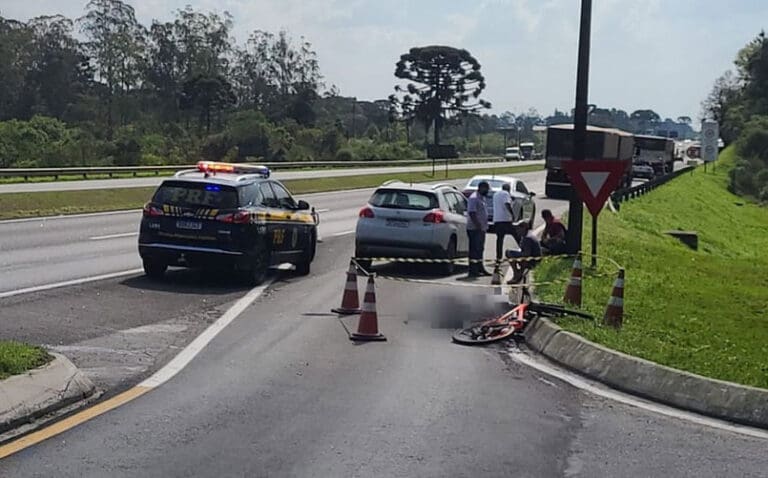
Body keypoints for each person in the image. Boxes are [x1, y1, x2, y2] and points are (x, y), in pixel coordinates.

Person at [466, 181, 492, 278]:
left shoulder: (482, 198)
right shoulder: (474, 198)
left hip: (481, 228)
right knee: (474, 250)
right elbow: (472, 213)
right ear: (481, 188)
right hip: (474, 229)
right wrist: (478, 226)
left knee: (480, 249)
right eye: (486, 189)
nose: (487, 191)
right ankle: (473, 270)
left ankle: (480, 268)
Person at [492, 183, 515, 262]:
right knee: (516, 235)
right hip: (505, 219)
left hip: (497, 219)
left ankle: (499, 256)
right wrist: (512, 214)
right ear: (508, 189)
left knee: (499, 239)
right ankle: (524, 250)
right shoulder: (506, 194)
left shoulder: (496, 194)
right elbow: (507, 204)